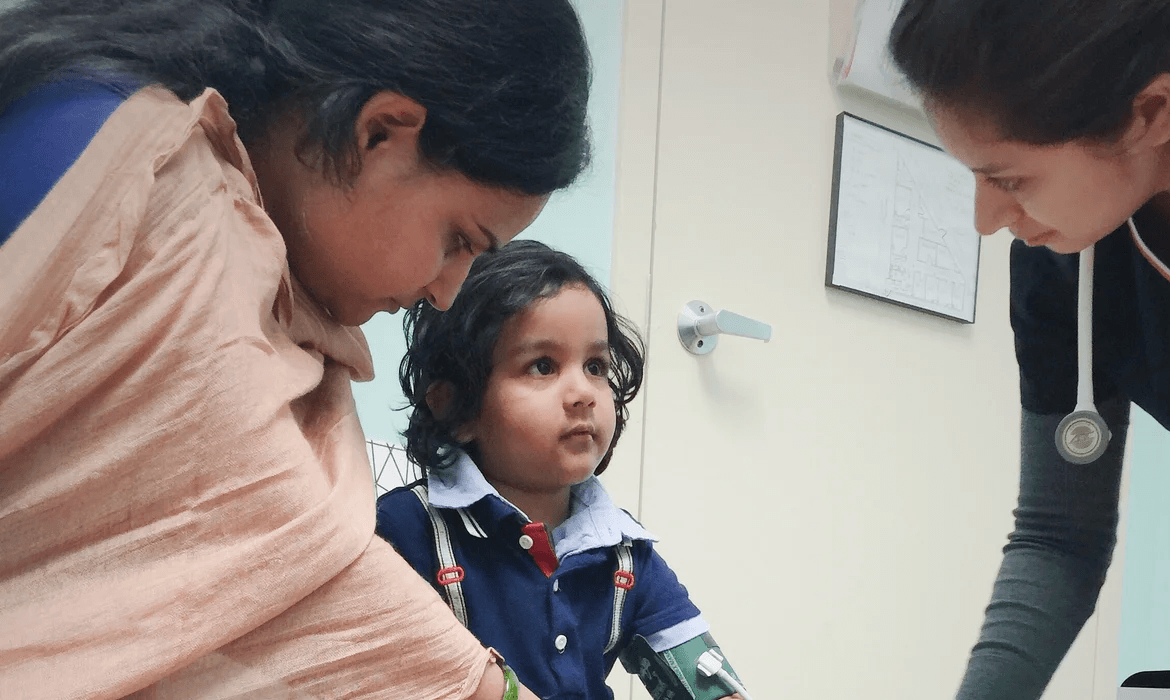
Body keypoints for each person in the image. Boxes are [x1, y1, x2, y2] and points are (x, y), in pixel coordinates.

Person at [0, 1, 591, 698]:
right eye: (459, 239)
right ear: (378, 132)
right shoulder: (159, 195)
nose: (446, 291)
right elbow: (290, 562)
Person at [887, 0, 1170, 698]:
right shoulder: (1068, 264)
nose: (985, 221)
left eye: (1010, 179)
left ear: (1148, 114)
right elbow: (1059, 537)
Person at [375, 240, 750, 700]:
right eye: (543, 366)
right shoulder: (402, 528)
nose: (583, 393)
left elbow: (706, 682)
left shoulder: (626, 556)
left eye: (595, 366)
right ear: (456, 407)